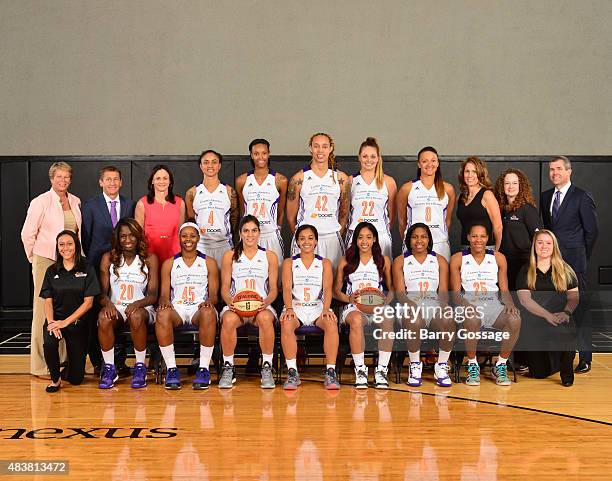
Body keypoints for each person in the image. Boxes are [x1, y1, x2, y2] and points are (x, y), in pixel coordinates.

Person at [21, 161, 81, 377]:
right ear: (51, 179)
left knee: (65, 308)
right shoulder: (41, 202)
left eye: (66, 177)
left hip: (69, 260)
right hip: (46, 259)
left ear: (70, 179)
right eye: (59, 177)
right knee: (42, 311)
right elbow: (27, 234)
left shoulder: (75, 201)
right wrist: (36, 259)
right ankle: (41, 365)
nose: (62, 180)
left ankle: (63, 361)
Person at [540, 156, 598, 374]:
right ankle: (555, 359)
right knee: (554, 307)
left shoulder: (582, 197)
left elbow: (592, 232)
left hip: (575, 262)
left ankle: (585, 358)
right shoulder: (546, 197)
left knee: (580, 309)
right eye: (551, 170)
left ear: (569, 171)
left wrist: (581, 256)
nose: (554, 173)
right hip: (552, 262)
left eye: (558, 169)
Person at [449, 224, 521, 386]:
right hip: (469, 307)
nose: (478, 240)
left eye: (482, 236)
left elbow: (504, 289)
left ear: (488, 238)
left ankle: (501, 364)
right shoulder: (458, 258)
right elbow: (455, 294)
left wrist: (509, 303)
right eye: (474, 236)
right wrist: (466, 305)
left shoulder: (498, 258)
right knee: (472, 317)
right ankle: (472, 365)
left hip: (493, 308)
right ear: (468, 237)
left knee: (514, 319)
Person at [81, 165, 136, 373]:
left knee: (121, 308)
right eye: (108, 179)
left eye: (116, 179)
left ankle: (120, 362)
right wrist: (95, 262)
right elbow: (86, 238)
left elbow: (131, 234)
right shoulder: (90, 206)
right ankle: (100, 362)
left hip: (124, 264)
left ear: (121, 182)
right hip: (98, 265)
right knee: (100, 312)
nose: (112, 183)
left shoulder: (129, 205)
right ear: (101, 182)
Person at [155, 222, 219, 390]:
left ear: (198, 238)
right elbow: (163, 295)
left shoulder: (208, 262)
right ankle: (171, 369)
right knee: (161, 315)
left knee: (208, 312)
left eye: (192, 236)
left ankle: (203, 369)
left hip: (199, 308)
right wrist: (164, 302)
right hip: (178, 308)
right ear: (179, 238)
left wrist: (209, 302)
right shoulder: (169, 263)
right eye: (184, 236)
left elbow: (214, 296)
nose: (188, 240)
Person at [97, 219, 159, 389]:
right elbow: (101, 293)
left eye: (131, 235)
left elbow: (153, 295)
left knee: (136, 316)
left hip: (143, 308)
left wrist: (138, 303)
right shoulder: (108, 258)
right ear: (117, 238)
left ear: (138, 237)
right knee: (103, 318)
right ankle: (110, 368)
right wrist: (108, 304)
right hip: (117, 307)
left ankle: (140, 366)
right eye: (123, 236)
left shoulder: (149, 259)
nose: (127, 240)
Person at [218, 215, 279, 389]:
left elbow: (274, 289)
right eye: (246, 231)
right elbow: (224, 287)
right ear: (240, 234)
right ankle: (228, 367)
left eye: (254, 231)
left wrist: (265, 302)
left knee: (266, 319)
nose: (250, 235)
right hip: (236, 307)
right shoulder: (230, 255)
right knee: (228, 320)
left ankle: (266, 366)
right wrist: (230, 301)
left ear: (259, 233)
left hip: (260, 307)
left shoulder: (269, 256)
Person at [333, 222, 394, 389]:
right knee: (356, 321)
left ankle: (381, 370)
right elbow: (335, 291)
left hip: (377, 306)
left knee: (388, 320)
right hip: (355, 307)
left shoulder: (383, 260)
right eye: (360, 237)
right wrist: (349, 298)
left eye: (368, 237)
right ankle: (360, 369)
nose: (364, 241)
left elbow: (392, 289)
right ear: (355, 240)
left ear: (374, 239)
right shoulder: (347, 260)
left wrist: (385, 302)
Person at [392, 223, 454, 387]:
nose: (419, 241)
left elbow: (443, 292)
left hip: (433, 305)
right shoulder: (400, 261)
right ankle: (415, 365)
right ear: (408, 240)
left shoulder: (439, 260)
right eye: (415, 237)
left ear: (429, 240)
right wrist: (411, 305)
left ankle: (441, 366)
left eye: (423, 237)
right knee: (414, 320)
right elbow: (400, 294)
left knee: (448, 319)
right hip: (409, 305)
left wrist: (443, 306)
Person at [280, 224, 340, 390]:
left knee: (331, 324)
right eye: (302, 238)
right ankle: (292, 372)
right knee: (286, 323)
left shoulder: (325, 263)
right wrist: (289, 309)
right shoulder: (289, 262)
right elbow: (286, 288)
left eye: (310, 238)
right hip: (296, 306)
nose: (306, 241)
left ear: (316, 241)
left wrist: (326, 309)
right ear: (297, 242)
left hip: (317, 307)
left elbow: (328, 289)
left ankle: (330, 372)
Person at [516, 230, 579, 386]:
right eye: (540, 242)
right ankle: (558, 359)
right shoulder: (526, 270)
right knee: (539, 374)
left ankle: (567, 373)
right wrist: (546, 315)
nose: (544, 246)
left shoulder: (565, 269)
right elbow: (524, 300)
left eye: (548, 243)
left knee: (567, 333)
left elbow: (573, 297)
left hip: (560, 317)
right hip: (535, 320)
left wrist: (566, 312)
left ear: (554, 246)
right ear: (534, 246)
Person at [40, 230, 100, 392]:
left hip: (77, 323)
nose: (65, 248)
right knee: (50, 343)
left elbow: (88, 303)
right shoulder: (52, 270)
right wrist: (52, 322)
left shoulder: (87, 267)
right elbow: (47, 301)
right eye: (61, 244)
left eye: (69, 244)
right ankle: (55, 379)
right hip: (56, 319)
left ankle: (69, 368)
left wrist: (66, 322)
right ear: (57, 247)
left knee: (76, 379)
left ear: (76, 246)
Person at [286, 132, 350, 270]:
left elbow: (345, 211)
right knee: (302, 283)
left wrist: (337, 231)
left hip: (332, 238)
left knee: (333, 285)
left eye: (324, 146)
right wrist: (302, 236)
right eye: (316, 146)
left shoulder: (341, 178)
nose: (320, 150)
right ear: (310, 148)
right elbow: (291, 216)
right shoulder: (298, 179)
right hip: (307, 240)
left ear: (330, 149)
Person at [235, 138, 288, 270]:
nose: (260, 157)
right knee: (249, 271)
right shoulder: (242, 180)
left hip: (271, 234)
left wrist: (278, 228)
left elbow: (281, 210)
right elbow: (243, 210)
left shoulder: (280, 180)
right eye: (256, 153)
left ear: (268, 154)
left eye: (264, 153)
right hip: (249, 235)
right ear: (251, 155)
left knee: (276, 273)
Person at [396, 146, 455, 261]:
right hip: (415, 244)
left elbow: (447, 220)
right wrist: (410, 239)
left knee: (441, 278)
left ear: (438, 163)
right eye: (424, 161)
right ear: (419, 164)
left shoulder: (448, 189)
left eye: (433, 160)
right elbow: (402, 222)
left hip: (440, 244)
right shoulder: (407, 188)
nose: (429, 164)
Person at [185, 150, 239, 268]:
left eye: (214, 162)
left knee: (224, 283)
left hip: (224, 245)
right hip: (201, 246)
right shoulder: (192, 193)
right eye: (206, 162)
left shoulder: (229, 191)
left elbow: (234, 218)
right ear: (201, 166)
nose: (210, 165)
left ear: (219, 166)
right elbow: (191, 221)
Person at [346, 137, 396, 260]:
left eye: (373, 156)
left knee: (383, 275)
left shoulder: (388, 182)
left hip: (380, 235)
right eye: (365, 156)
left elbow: (392, 212)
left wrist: (382, 229)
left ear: (378, 158)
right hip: (355, 236)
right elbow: (344, 210)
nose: (369, 160)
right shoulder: (350, 180)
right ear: (359, 157)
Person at [493, 169, 541, 290]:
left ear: (521, 186)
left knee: (520, 298)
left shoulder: (527, 209)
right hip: (504, 261)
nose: (510, 187)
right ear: (502, 186)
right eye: (507, 183)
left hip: (523, 262)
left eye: (515, 183)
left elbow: (538, 238)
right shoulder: (500, 208)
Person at [135, 164, 185, 264]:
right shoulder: (142, 203)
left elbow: (181, 232)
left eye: (165, 178)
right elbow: (138, 234)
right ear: (152, 181)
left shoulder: (180, 203)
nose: (161, 181)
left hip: (175, 255)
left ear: (170, 181)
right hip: (150, 255)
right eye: (158, 178)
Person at [456, 157, 502, 251]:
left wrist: (497, 251)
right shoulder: (460, 197)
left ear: (480, 174)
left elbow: (498, 227)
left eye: (474, 171)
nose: (470, 175)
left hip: (486, 248)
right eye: (467, 171)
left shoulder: (487, 195)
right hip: (465, 248)